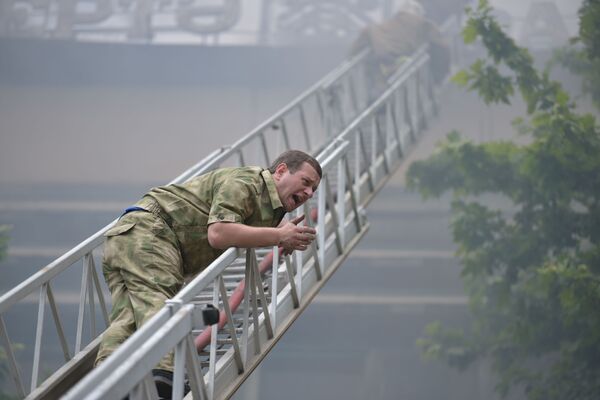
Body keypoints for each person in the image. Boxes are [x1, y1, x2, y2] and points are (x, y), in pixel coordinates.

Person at [95, 149, 321, 396]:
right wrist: (278, 235)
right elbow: (219, 233)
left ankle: (106, 382)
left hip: (130, 235)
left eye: (313, 190)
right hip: (152, 234)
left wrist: (280, 232)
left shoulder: (266, 203)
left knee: (127, 319)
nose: (309, 193)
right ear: (280, 172)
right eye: (306, 183)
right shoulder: (246, 182)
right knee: (157, 305)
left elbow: (246, 221)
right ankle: (164, 374)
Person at [351, 0, 450, 97]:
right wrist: (438, 77)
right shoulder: (424, 24)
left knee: (379, 77)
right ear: (419, 13)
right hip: (402, 62)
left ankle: (377, 94)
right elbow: (442, 47)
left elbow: (358, 44)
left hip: (381, 61)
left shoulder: (381, 26)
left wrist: (352, 57)